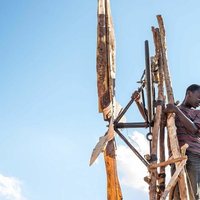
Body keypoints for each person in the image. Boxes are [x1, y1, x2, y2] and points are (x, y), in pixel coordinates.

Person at [165, 84, 200, 200]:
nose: (199, 102)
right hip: (176, 156)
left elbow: (194, 130)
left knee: (192, 192)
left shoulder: (197, 113)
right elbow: (154, 121)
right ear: (189, 93)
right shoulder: (171, 112)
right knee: (177, 194)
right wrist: (138, 102)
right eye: (198, 97)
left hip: (193, 155)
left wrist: (177, 111)